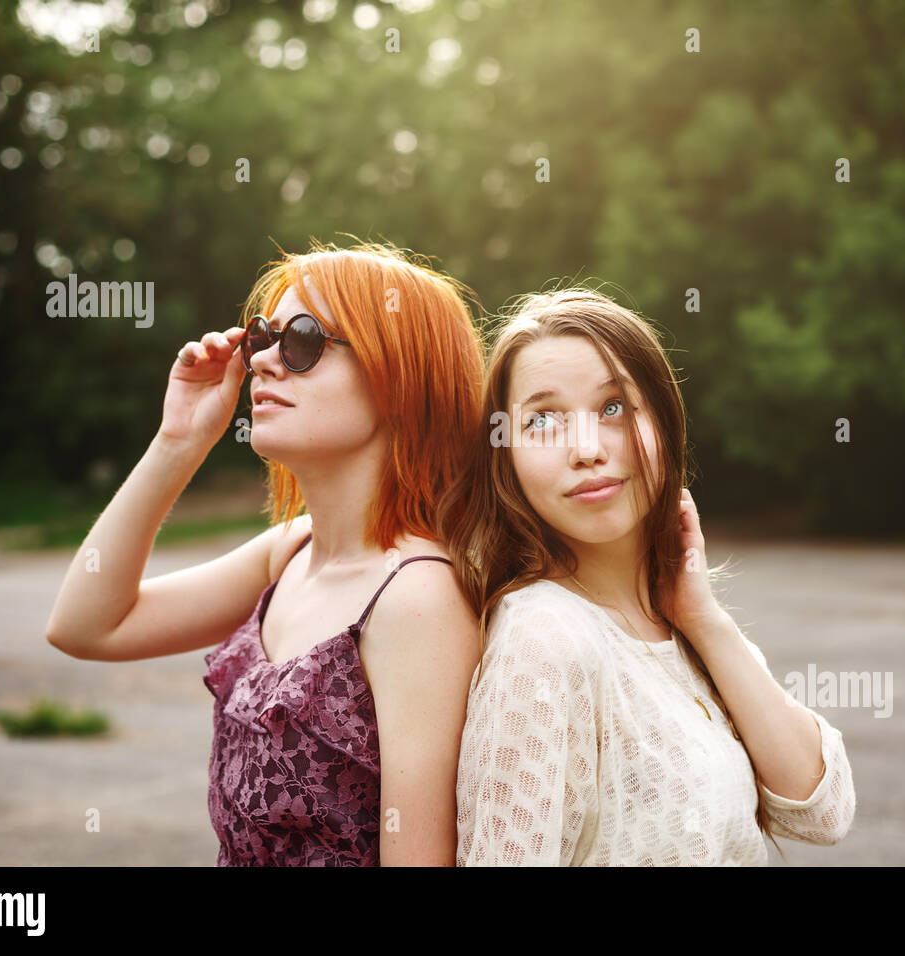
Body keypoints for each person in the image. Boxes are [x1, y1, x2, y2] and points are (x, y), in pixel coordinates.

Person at [46, 240, 486, 865]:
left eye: (303, 340)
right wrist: (178, 441)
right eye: (261, 339)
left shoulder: (417, 598)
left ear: (400, 376)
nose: (265, 363)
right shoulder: (291, 551)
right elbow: (86, 625)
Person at [441, 286, 856, 865]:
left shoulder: (678, 625)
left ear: (664, 423)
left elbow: (823, 810)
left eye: (613, 407)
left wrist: (703, 619)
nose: (585, 449)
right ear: (505, 459)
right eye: (542, 420)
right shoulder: (545, 638)